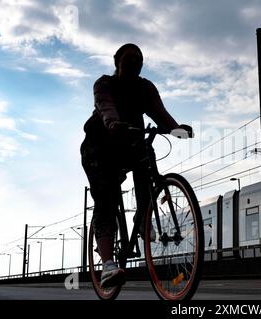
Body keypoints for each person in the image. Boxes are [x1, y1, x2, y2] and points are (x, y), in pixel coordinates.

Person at [80, 43, 191, 288]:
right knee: (106, 199)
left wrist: (176, 128)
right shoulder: (105, 84)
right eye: (129, 59)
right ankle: (108, 265)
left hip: (128, 143)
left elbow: (158, 112)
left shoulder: (145, 88)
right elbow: (105, 105)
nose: (134, 63)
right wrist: (112, 123)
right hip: (98, 148)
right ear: (116, 61)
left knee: (146, 158)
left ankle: (143, 219)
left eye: (138, 60)